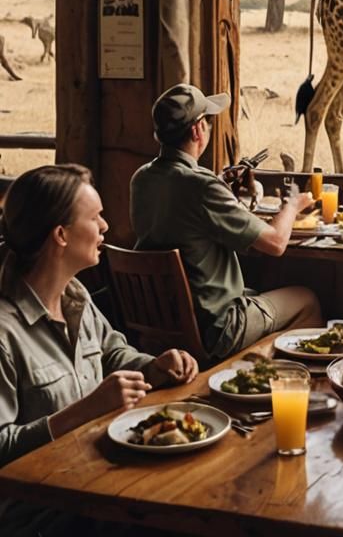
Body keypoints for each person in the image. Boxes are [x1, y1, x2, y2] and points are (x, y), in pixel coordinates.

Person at [0, 164, 198, 471]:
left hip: (97, 475)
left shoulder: (75, 296)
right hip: (40, 510)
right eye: (94, 218)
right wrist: (85, 411)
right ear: (61, 235)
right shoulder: (5, 332)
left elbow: (113, 354)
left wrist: (155, 367)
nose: (105, 226)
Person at [130, 84, 321, 361]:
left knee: (260, 294)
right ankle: (262, 371)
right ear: (197, 131)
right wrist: (293, 204)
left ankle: (255, 363)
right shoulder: (201, 185)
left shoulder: (142, 178)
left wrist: (221, 188)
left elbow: (182, 217)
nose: (208, 128)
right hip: (215, 328)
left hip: (163, 323)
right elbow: (276, 243)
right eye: (207, 122)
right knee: (307, 300)